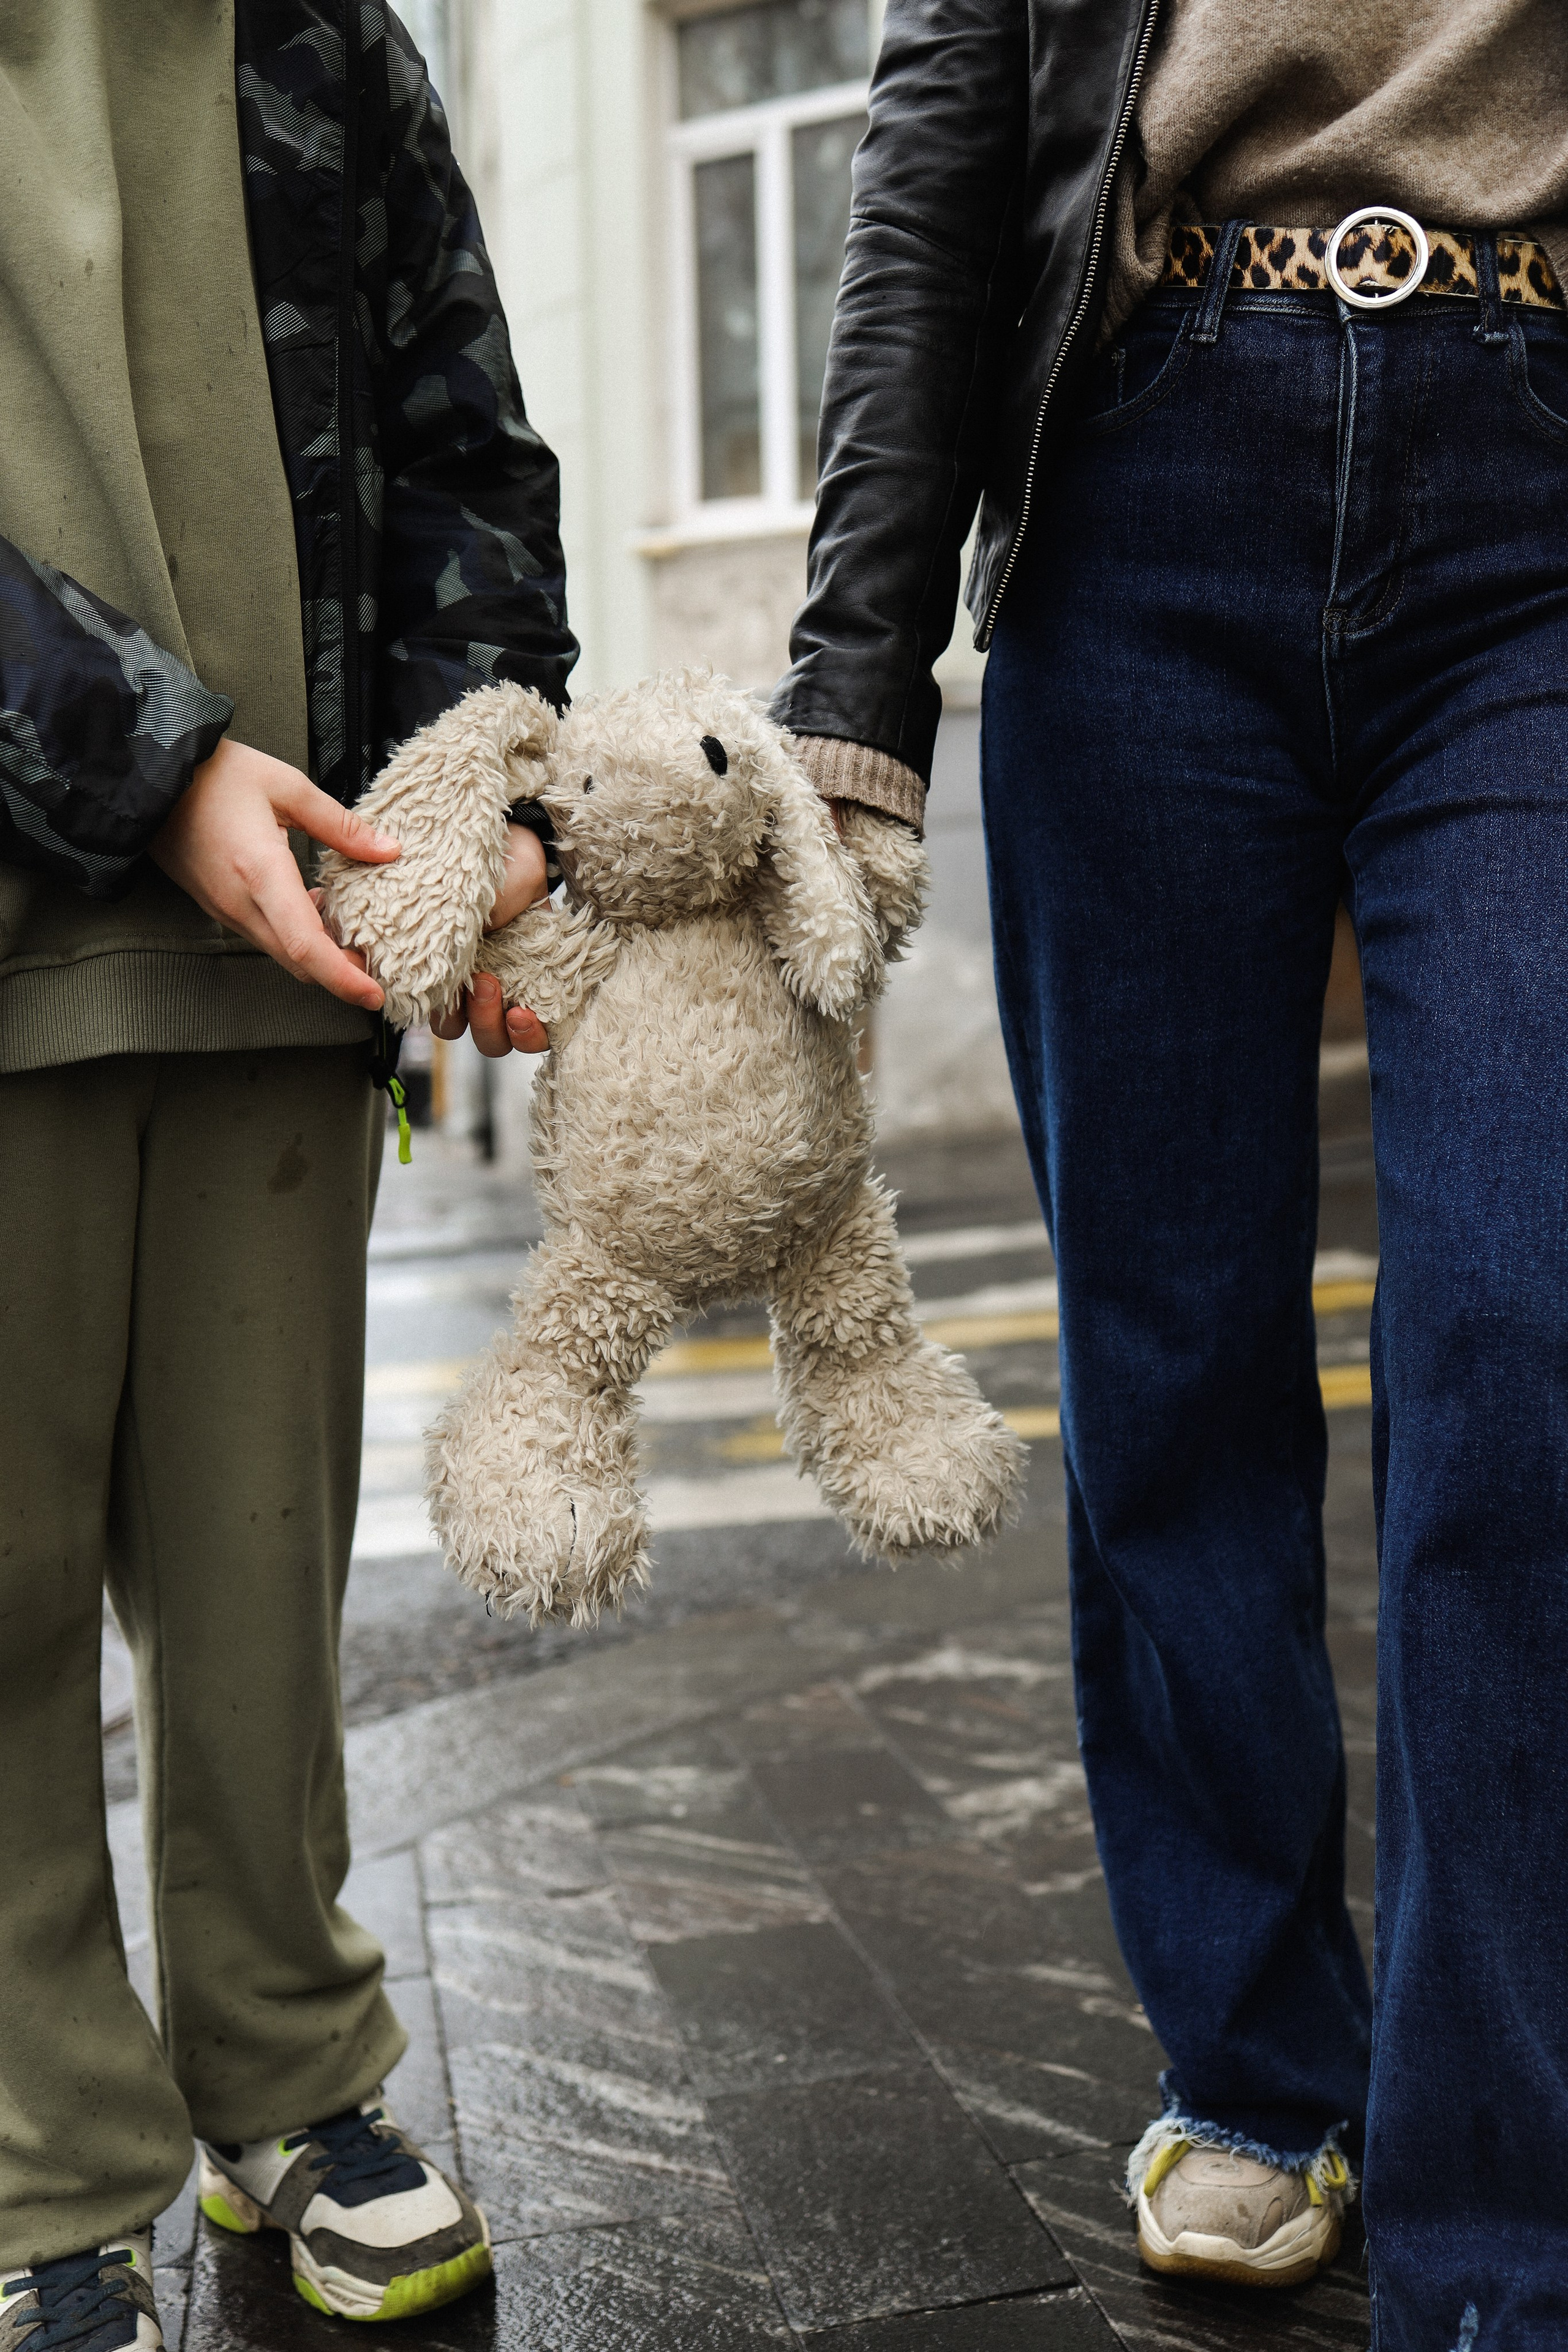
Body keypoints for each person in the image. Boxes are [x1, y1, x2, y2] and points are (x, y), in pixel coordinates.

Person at [772, 1, 1568, 2339]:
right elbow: (950, 116)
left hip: (1538, 472)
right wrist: (855, 676)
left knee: (1527, 1341)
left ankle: (1504, 2198)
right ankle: (1258, 2065)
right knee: (1171, 1350)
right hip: (1145, 464)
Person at [0, 6, 570, 2341]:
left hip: (297, 939)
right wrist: (149, 762)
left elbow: (462, 433)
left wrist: (485, 798)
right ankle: (44, 2166)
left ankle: (288, 2075)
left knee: (259, 1577)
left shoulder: (328, 28)